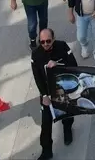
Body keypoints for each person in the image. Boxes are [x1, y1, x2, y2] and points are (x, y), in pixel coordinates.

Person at [32, 28, 76, 156]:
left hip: (63, 90)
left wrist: (58, 64)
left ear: (53, 39)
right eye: (42, 42)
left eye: (48, 41)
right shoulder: (36, 54)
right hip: (47, 93)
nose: (45, 44)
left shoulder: (62, 46)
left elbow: (73, 64)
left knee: (67, 114)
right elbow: (37, 76)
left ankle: (67, 129)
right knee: (46, 124)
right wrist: (44, 95)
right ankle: (46, 151)